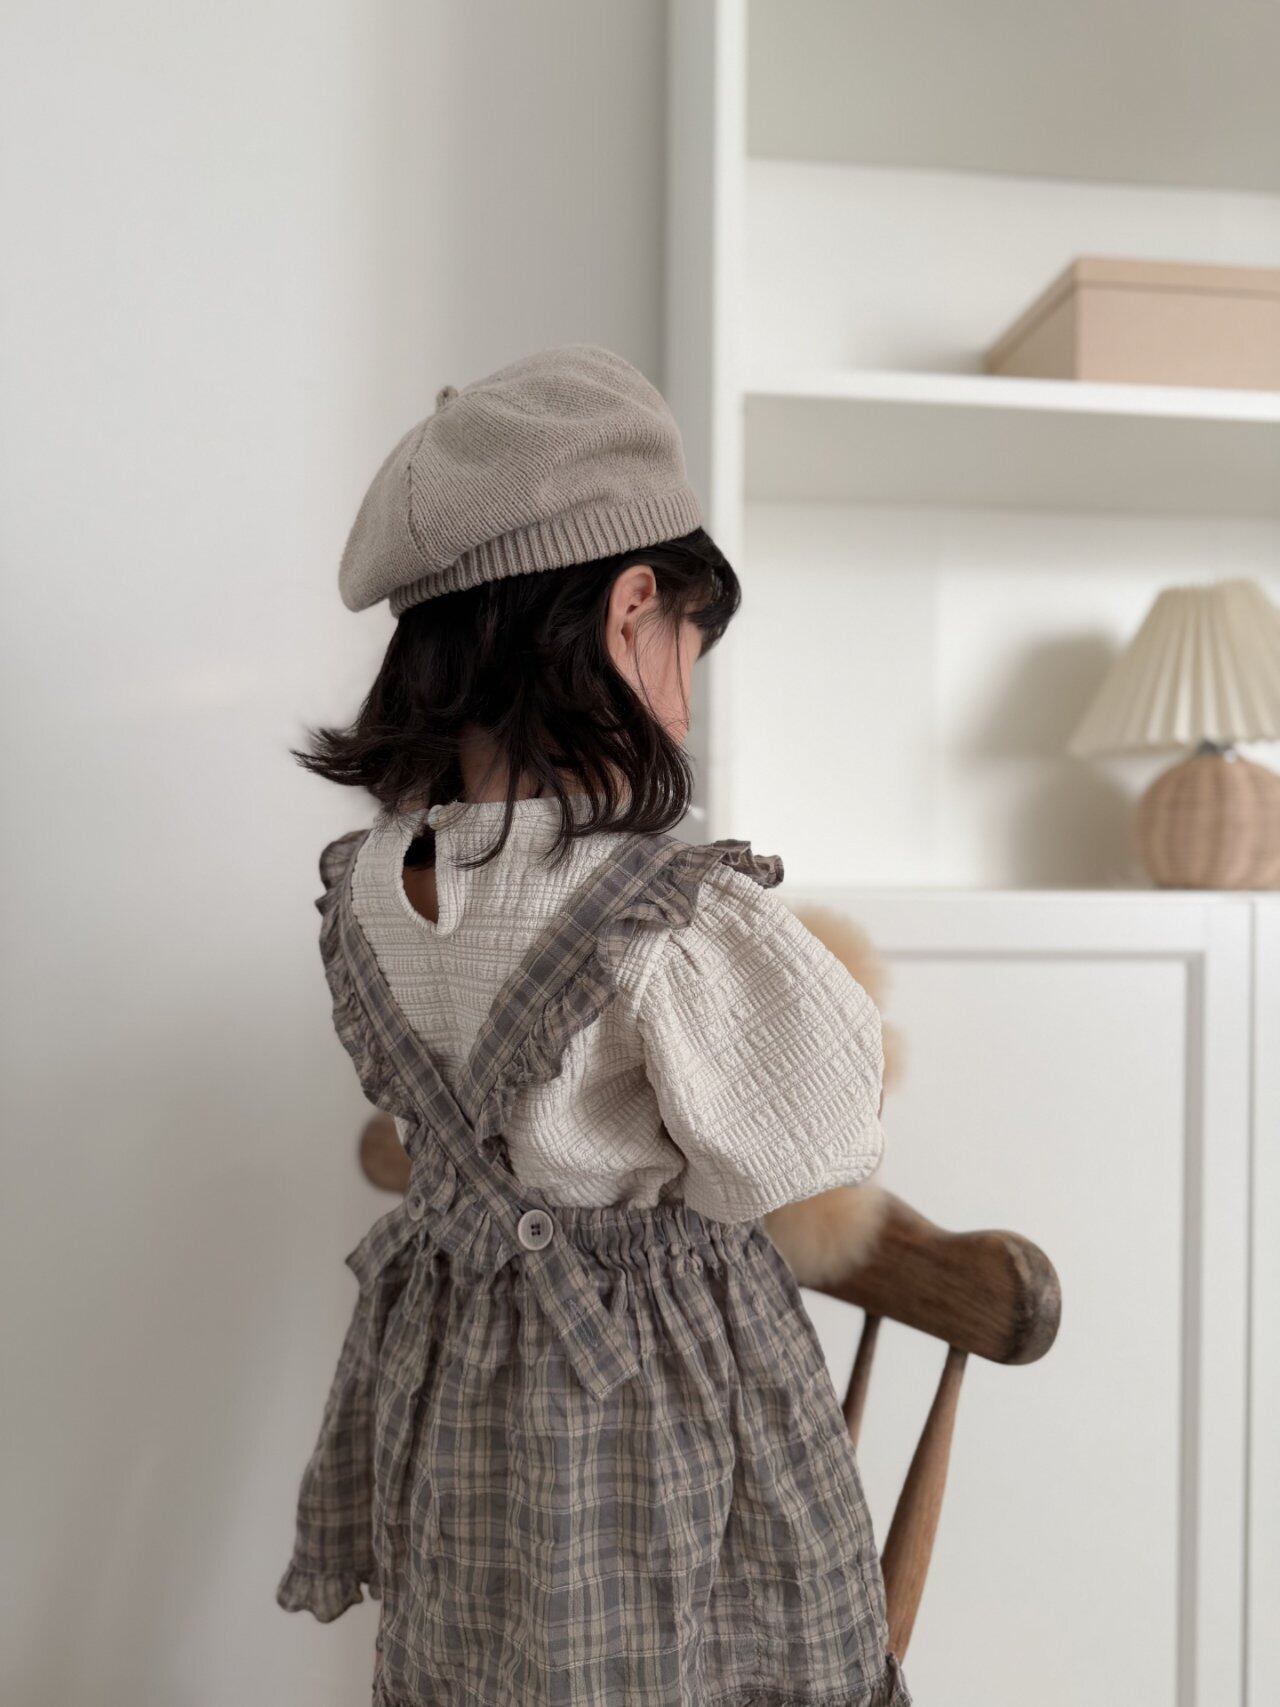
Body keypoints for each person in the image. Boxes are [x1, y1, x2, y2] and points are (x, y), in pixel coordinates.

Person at [276, 343, 911, 1707]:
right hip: (649, 1399)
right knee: (699, 1657)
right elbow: (808, 1135)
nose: (686, 683)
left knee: (492, 1658)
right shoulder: (664, 910)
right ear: (632, 610)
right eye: (689, 640)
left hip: (467, 1397)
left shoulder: (375, 886)